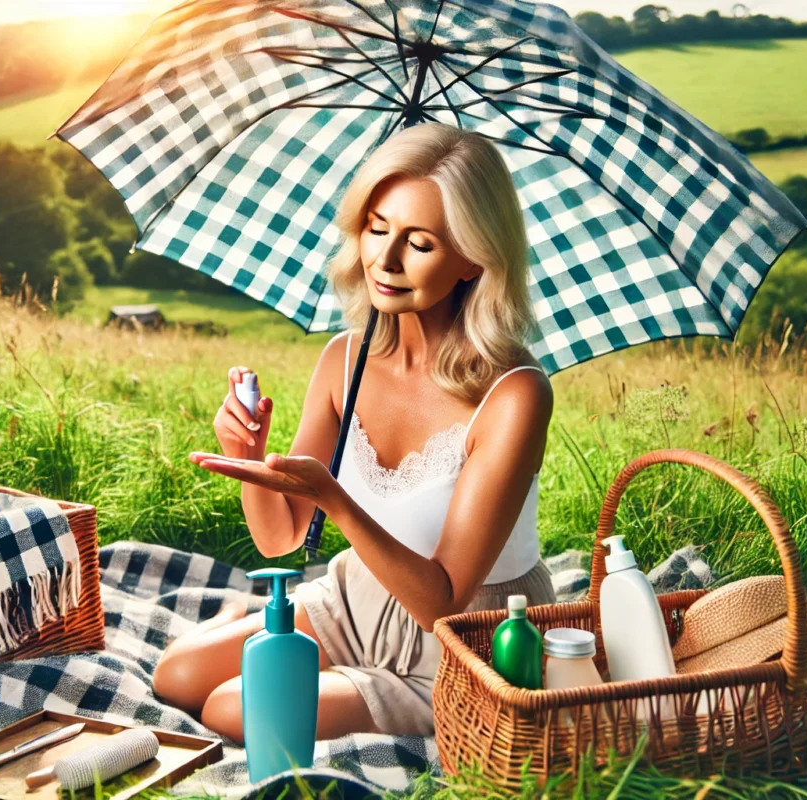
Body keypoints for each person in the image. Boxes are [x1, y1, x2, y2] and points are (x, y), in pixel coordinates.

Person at [152, 122, 555, 742]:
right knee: (176, 675)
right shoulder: (345, 359)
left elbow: (441, 602)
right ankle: (309, 658)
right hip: (355, 596)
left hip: (460, 638)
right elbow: (279, 538)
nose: (384, 261)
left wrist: (334, 500)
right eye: (376, 228)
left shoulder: (515, 394)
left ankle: (343, 682)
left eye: (418, 243)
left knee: (232, 709)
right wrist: (251, 454)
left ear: (473, 259)